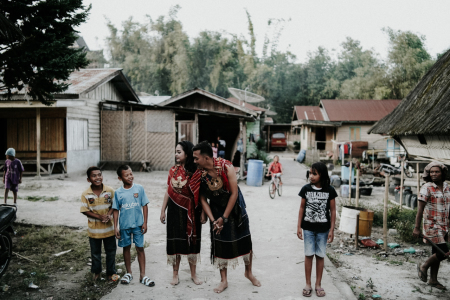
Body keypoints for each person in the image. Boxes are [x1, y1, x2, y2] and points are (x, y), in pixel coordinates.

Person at [191, 141, 261, 293]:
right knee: (219, 244)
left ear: (206, 158)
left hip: (235, 207)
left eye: (196, 158)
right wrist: (214, 220)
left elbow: (234, 194)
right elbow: (202, 199)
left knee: (244, 240)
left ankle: (248, 272)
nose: (194, 161)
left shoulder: (226, 167)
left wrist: (224, 217)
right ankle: (224, 280)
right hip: (215, 210)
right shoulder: (200, 175)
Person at [160, 141, 206, 286]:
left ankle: (193, 274)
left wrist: (204, 212)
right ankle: (175, 274)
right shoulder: (172, 171)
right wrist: (163, 210)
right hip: (174, 209)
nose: (176, 154)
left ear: (187, 153)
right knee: (176, 242)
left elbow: (202, 194)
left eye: (179, 152)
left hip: (193, 211)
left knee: (192, 242)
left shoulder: (197, 172)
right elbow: (168, 191)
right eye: (175, 151)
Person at [297, 162, 336, 297]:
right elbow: (302, 208)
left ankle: (318, 284)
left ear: (322, 175)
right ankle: (308, 283)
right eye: (310, 173)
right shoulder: (306, 189)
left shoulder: (329, 190)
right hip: (308, 228)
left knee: (320, 256)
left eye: (314, 173)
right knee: (308, 255)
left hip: (323, 230)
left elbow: (333, 210)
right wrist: (299, 226)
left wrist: (332, 229)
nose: (311, 176)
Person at [112, 165, 154, 287]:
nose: (130, 176)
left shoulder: (139, 189)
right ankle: (129, 273)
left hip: (138, 226)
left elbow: (144, 205)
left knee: (140, 248)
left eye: (131, 174)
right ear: (120, 178)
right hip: (124, 226)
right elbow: (115, 210)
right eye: (127, 175)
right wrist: (115, 227)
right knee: (126, 248)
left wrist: (145, 222)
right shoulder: (118, 192)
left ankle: (143, 275)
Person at [413, 161, 450, 290]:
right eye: (431, 172)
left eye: (437, 171)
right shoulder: (427, 187)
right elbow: (420, 210)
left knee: (437, 251)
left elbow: (447, 209)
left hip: (444, 226)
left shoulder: (447, 187)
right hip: (431, 225)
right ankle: (424, 266)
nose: (434, 174)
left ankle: (433, 280)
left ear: (443, 173)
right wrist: (417, 228)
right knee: (444, 252)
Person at [80, 166, 117, 281]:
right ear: (88, 179)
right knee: (95, 253)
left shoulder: (110, 191)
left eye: (99, 175)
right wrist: (99, 217)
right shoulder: (86, 194)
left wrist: (109, 214)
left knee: (111, 252)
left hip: (109, 230)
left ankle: (110, 273)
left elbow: (114, 206)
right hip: (94, 231)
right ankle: (97, 273)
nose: (97, 177)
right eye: (94, 175)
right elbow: (85, 210)